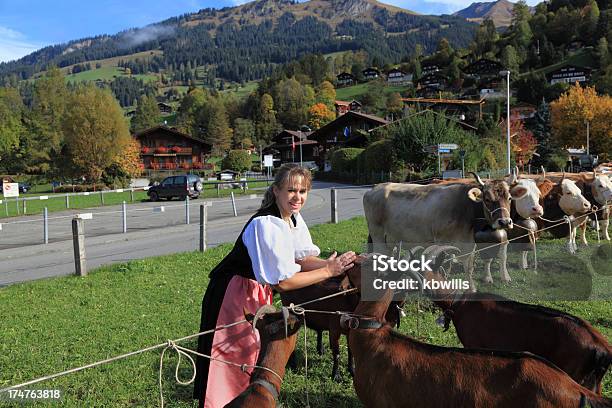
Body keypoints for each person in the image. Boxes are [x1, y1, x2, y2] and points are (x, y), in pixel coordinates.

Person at [193, 163, 356, 408]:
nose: (297, 197)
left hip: (255, 291)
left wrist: (333, 265)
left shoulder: (291, 219)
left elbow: (301, 258)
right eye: (291, 190)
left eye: (303, 191)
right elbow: (283, 282)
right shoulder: (266, 224)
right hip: (233, 293)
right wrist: (326, 271)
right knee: (231, 356)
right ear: (276, 190)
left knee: (252, 350)